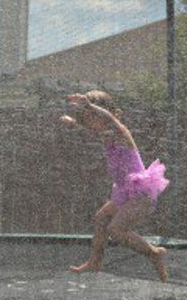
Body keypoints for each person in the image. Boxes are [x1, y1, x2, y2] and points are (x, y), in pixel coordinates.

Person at [61, 91, 170, 281]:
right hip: (124, 190)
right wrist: (74, 123)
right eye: (87, 119)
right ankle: (94, 262)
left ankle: (154, 252)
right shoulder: (104, 134)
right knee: (101, 218)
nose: (91, 122)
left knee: (116, 230)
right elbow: (94, 127)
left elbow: (108, 120)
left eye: (93, 117)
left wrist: (89, 106)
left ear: (107, 114)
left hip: (140, 191)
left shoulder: (120, 131)